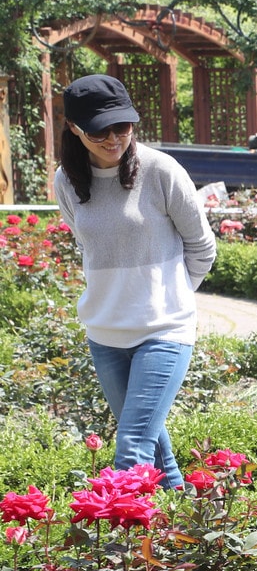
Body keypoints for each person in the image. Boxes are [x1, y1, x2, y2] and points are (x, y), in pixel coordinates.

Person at [54, 74, 217, 489]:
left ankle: (119, 545)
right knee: (156, 450)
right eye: (99, 130)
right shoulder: (67, 180)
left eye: (122, 126)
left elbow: (201, 247)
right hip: (105, 333)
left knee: (131, 446)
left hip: (164, 330)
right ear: (74, 128)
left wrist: (171, 297)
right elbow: (90, 245)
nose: (114, 139)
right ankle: (181, 522)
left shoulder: (161, 170)